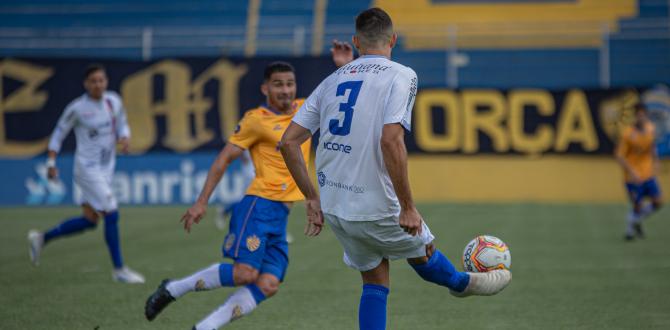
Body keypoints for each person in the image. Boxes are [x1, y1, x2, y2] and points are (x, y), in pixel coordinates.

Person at [280, 8, 511, 330]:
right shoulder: (402, 74)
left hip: (334, 204)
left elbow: (288, 142)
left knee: (375, 278)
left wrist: (310, 199)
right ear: (394, 39)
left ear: (356, 41)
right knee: (424, 253)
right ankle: (462, 284)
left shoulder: (332, 79)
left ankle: (459, 284)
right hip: (374, 202)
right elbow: (391, 140)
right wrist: (408, 207)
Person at [145, 47, 353, 329]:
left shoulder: (307, 109)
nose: (285, 90)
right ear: (265, 88)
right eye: (278, 84)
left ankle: (204, 327)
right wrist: (201, 201)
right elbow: (223, 160)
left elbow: (341, 94)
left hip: (280, 214)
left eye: (290, 84)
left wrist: (345, 67)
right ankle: (174, 288)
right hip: (258, 204)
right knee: (245, 273)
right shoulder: (256, 119)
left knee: (268, 283)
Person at [27, 64, 145, 284]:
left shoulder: (113, 101)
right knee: (111, 211)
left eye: (101, 80)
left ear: (106, 81)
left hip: (107, 167)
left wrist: (125, 137)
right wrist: (51, 162)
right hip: (87, 169)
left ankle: (41, 238)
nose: (98, 84)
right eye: (93, 81)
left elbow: (123, 124)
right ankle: (119, 270)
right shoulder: (77, 108)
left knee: (90, 220)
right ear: (86, 84)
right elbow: (58, 135)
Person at [615, 103, 663, 241]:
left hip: (647, 173)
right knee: (637, 204)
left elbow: (652, 147)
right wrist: (632, 171)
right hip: (632, 177)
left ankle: (634, 220)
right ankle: (629, 231)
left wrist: (656, 161)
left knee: (658, 201)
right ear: (635, 116)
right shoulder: (628, 134)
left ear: (646, 115)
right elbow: (619, 155)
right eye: (638, 115)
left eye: (643, 115)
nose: (641, 118)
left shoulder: (650, 129)